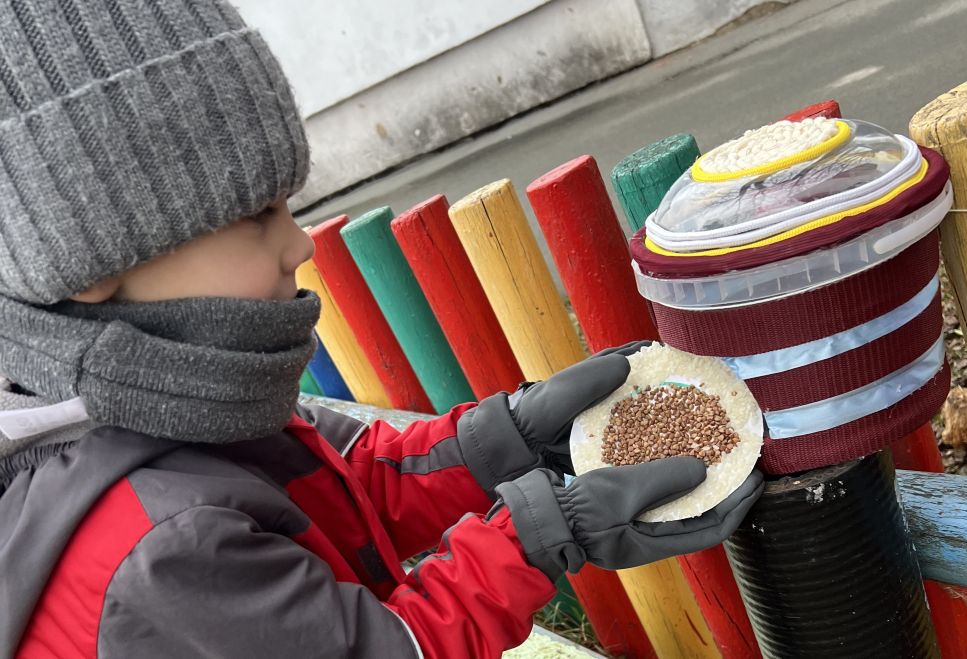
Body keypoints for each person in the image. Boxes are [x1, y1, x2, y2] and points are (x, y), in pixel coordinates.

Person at [0, 1, 763, 657]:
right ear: (87, 258)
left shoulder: (176, 398)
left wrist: (503, 439)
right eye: (257, 215)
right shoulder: (161, 551)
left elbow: (345, 481)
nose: (298, 244)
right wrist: (542, 532)